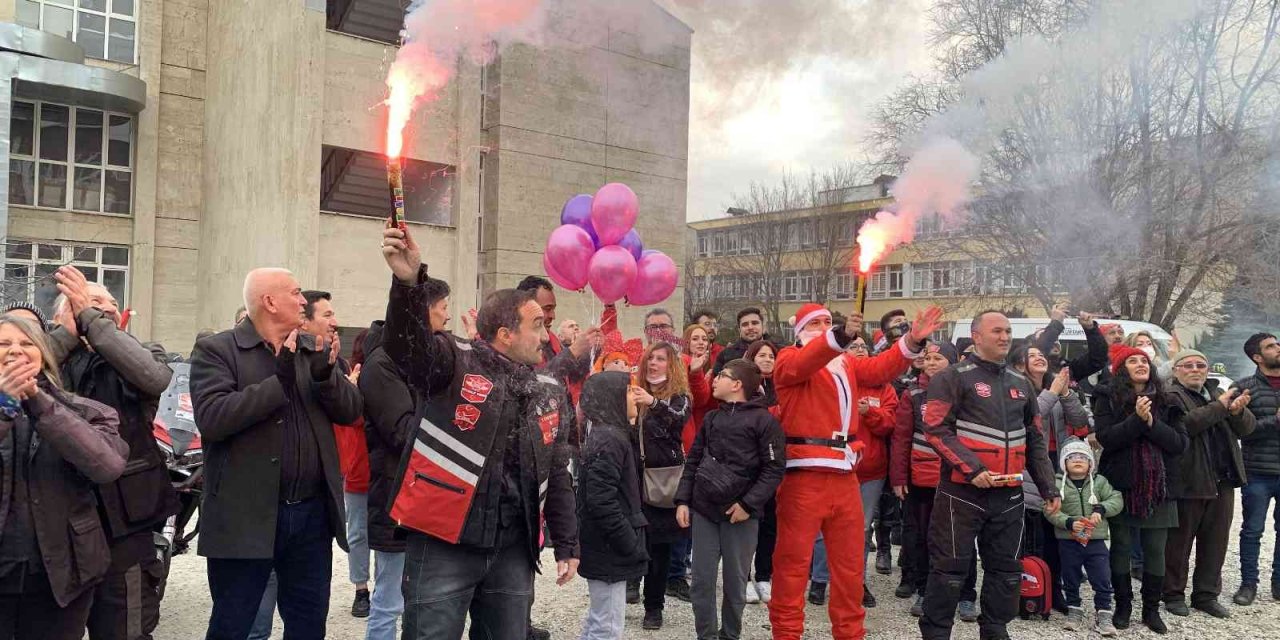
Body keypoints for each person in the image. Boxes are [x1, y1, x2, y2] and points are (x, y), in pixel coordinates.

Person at [380, 224, 579, 640]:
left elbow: (556, 471)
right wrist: (408, 283)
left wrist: (567, 543)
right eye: (538, 325)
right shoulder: (454, 361)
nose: (547, 337)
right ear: (506, 334)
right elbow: (406, 346)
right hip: (443, 542)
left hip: (513, 549)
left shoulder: (548, 391)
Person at [190, 268, 362, 640]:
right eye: (296, 293)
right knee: (234, 625)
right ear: (269, 301)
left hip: (311, 517)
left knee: (307, 625)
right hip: (245, 519)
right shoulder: (219, 350)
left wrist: (326, 375)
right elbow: (214, 419)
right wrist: (279, 380)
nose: (304, 301)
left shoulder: (309, 349)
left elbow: (350, 410)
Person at [769, 303, 942, 640]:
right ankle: (786, 635)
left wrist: (911, 341)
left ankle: (850, 635)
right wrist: (841, 334)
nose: (823, 327)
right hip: (804, 474)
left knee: (849, 570)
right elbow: (809, 361)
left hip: (845, 473)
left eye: (828, 322)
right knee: (792, 566)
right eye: (815, 322)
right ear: (799, 328)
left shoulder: (845, 362)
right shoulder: (789, 358)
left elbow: (879, 369)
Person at [42, 266, 178, 640]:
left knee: (126, 629)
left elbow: (153, 377)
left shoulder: (143, 353)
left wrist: (91, 320)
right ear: (61, 316)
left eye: (110, 305)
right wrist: (66, 335)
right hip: (56, 523)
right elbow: (14, 378)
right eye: (90, 302)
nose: (102, 309)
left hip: (125, 523)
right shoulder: (43, 357)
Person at [919, 310, 1061, 640]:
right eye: (997, 330)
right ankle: (937, 633)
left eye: (1008, 331)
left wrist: (1048, 488)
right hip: (962, 493)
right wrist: (972, 469)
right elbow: (936, 429)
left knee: (1007, 572)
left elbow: (1035, 440)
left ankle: (996, 630)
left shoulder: (1020, 382)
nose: (1005, 336)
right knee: (949, 570)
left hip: (1009, 495)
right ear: (977, 336)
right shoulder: (953, 377)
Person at [0, 314, 128, 638]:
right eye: (3, 343)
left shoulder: (86, 410)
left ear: (43, 354)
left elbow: (107, 465)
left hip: (62, 577)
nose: (15, 351)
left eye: (27, 343)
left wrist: (39, 403)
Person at [359, 272, 449, 640]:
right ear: (422, 310)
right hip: (397, 500)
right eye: (443, 308)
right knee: (389, 599)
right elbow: (401, 432)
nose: (446, 316)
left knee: (425, 600)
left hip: (426, 499)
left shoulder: (427, 358)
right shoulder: (381, 365)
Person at [676, 358, 785, 640]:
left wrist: (749, 504)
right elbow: (694, 460)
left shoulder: (765, 421)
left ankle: (730, 634)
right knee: (701, 580)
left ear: (737, 385)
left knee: (735, 582)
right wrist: (683, 500)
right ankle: (707, 635)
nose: (715, 379)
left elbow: (774, 469)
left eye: (721, 375)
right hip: (704, 509)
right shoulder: (712, 418)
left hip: (742, 514)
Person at [1093, 344, 1188, 634]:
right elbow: (1107, 438)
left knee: (1155, 550)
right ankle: (1123, 606)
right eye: (1132, 361)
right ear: (1122, 369)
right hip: (1122, 484)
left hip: (1159, 488)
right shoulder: (1107, 397)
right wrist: (1136, 420)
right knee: (1121, 547)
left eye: (1144, 360)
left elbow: (1178, 444)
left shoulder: (1168, 400)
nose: (1140, 364)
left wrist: (1150, 422)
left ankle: (1151, 609)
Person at [1162, 349, 1255, 619]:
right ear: (1176, 370)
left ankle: (1206, 595)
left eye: (1200, 365)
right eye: (1188, 365)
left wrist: (1237, 413)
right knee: (1179, 543)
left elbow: (1247, 429)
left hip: (1222, 480)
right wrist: (1222, 406)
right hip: (1188, 479)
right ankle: (1172, 594)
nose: (1195, 369)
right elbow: (1186, 425)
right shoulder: (1171, 396)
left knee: (1215, 542)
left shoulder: (1217, 394)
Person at [808, 335, 898, 609]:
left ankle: (854, 583)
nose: (859, 350)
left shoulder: (884, 388)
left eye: (863, 347)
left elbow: (890, 424)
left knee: (860, 530)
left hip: (870, 472)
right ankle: (820, 580)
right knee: (825, 527)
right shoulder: (831, 379)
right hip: (834, 467)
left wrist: (869, 413)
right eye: (852, 346)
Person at [891, 341, 978, 619]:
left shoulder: (965, 389)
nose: (930, 362)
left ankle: (966, 595)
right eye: (927, 357)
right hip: (922, 478)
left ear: (952, 362)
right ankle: (924, 589)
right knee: (924, 536)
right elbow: (902, 437)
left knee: (960, 538)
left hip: (958, 476)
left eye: (938, 358)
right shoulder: (913, 393)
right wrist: (899, 476)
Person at [1007, 342, 1093, 613]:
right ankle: (1028, 593)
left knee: (1058, 538)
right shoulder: (1015, 387)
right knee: (1033, 537)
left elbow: (1081, 422)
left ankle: (1055, 591)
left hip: (1060, 466)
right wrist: (1052, 393)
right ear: (1020, 362)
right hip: (1031, 467)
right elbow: (1026, 421)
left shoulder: (1057, 386)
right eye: (1031, 355)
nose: (1039, 358)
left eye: (1041, 354)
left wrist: (1066, 393)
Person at [306, 291, 372, 618]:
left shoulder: (342, 367)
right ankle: (361, 588)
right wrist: (351, 390)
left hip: (383, 471)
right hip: (356, 468)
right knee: (358, 531)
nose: (334, 323)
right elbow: (349, 419)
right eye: (327, 315)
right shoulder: (343, 368)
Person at [576, 372, 650, 640]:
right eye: (629, 391)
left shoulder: (612, 434)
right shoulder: (609, 439)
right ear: (613, 397)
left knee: (601, 621)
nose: (635, 396)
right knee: (606, 628)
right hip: (608, 548)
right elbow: (601, 500)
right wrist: (629, 542)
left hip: (608, 547)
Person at [627, 342, 691, 630]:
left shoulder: (679, 396)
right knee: (630, 536)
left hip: (664, 478)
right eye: (650, 358)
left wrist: (652, 404)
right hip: (634, 476)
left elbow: (676, 423)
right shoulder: (633, 389)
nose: (653, 363)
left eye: (661, 359)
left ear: (672, 364)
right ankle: (631, 584)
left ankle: (654, 606)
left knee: (660, 547)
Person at [1044, 440, 1123, 636]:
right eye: (1071, 458)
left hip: (1095, 540)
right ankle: (1074, 609)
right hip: (1068, 541)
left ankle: (1104, 613)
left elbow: (1117, 499)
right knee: (1070, 576)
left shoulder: (1100, 482)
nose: (1077, 460)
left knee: (1102, 576)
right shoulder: (1055, 484)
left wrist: (1102, 509)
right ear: (1064, 463)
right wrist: (1068, 522)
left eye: (1082, 457)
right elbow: (1048, 510)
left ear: (1091, 462)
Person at [1232, 332, 1280, 606]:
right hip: (1257, 472)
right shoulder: (1245, 388)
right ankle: (1248, 584)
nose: (1278, 348)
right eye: (1271, 346)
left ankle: (1278, 583)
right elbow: (1242, 432)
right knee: (1252, 530)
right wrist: (1275, 421)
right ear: (1257, 357)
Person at [1032, 306, 1109, 383]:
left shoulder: (1068, 368)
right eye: (1049, 337)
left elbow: (1098, 359)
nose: (1054, 341)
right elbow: (1040, 349)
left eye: (1056, 338)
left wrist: (1091, 329)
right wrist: (1056, 324)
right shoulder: (1033, 369)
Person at [680, 324, 715, 454]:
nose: (701, 342)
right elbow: (699, 400)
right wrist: (695, 374)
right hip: (687, 431)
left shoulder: (713, 368)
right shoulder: (680, 363)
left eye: (705, 339)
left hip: (705, 431)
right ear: (686, 342)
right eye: (695, 339)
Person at [712, 308, 766, 376]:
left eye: (754, 323)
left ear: (763, 327)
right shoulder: (725, 355)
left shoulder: (778, 351)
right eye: (745, 324)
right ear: (739, 330)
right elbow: (718, 382)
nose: (750, 327)